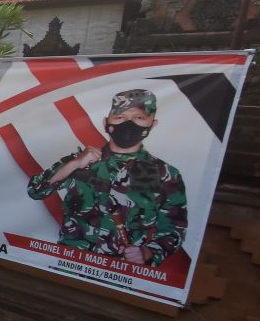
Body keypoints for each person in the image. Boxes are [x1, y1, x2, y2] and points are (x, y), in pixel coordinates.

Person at [27, 88, 187, 266]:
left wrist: (148, 252)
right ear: (106, 122)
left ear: (152, 124)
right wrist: (74, 164)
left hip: (118, 276)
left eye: (139, 118)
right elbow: (36, 191)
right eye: (120, 117)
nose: (128, 124)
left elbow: (173, 229)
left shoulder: (165, 174)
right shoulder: (80, 160)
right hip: (68, 265)